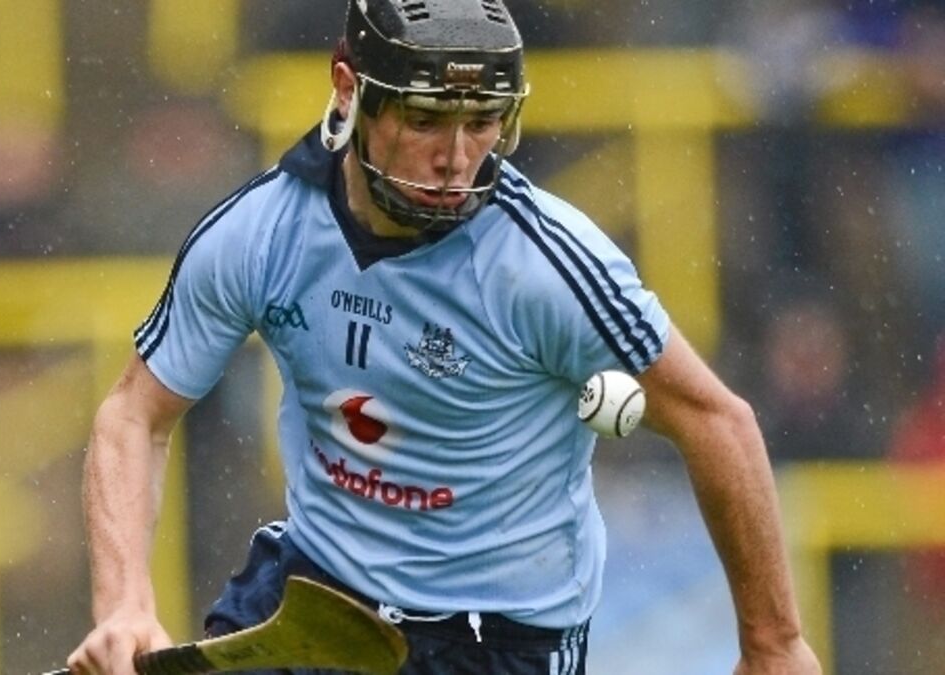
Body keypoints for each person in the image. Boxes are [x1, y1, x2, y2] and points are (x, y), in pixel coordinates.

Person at [65, 1, 821, 673]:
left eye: (481, 121)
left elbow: (717, 421)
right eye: (425, 120)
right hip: (318, 601)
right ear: (348, 91)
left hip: (499, 640)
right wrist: (123, 606)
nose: (457, 159)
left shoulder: (544, 267)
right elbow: (134, 415)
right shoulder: (263, 233)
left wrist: (774, 646)